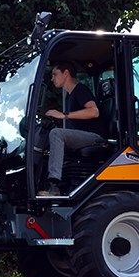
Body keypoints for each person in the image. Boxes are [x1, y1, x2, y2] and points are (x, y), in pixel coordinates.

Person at [39, 62, 106, 196]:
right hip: (82, 136)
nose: (52, 78)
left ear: (66, 74)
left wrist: (63, 115)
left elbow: (94, 112)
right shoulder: (69, 96)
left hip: (94, 137)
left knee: (56, 134)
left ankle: (54, 185)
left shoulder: (80, 90)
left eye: (54, 74)